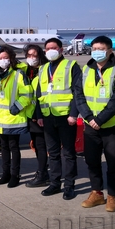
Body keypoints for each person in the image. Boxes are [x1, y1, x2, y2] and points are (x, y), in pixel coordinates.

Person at [75, 36, 115, 212]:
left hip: (111, 126)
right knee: (92, 161)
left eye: (101, 48)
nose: (97, 51)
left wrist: (100, 119)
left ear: (109, 50)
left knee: (113, 163)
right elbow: (79, 95)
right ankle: (97, 193)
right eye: (94, 48)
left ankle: (112, 196)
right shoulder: (85, 70)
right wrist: (90, 117)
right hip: (90, 126)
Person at [34, 37, 82, 200]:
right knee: (53, 152)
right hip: (48, 116)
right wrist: (39, 115)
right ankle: (55, 183)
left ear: (61, 49)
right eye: (47, 49)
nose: (50, 51)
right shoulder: (43, 68)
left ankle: (69, 185)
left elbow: (78, 92)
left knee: (68, 152)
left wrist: (74, 114)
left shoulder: (71, 66)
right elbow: (39, 93)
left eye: (53, 48)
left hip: (66, 116)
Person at [0, 46, 34, 188]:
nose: (3, 60)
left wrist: (16, 108)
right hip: (0, 119)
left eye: (5, 58)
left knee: (14, 147)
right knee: (3, 147)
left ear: (11, 59)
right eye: (0, 58)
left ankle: (15, 175)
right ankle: (6, 173)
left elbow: (27, 94)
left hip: (14, 119)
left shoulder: (18, 74)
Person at [19, 44, 50, 188]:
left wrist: (38, 115)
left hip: (41, 114)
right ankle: (44, 172)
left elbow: (40, 95)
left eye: (34, 55)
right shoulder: (27, 70)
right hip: (31, 114)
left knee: (41, 145)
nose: (31, 58)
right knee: (37, 145)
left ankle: (42, 174)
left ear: (40, 56)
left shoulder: (45, 70)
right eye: (28, 56)